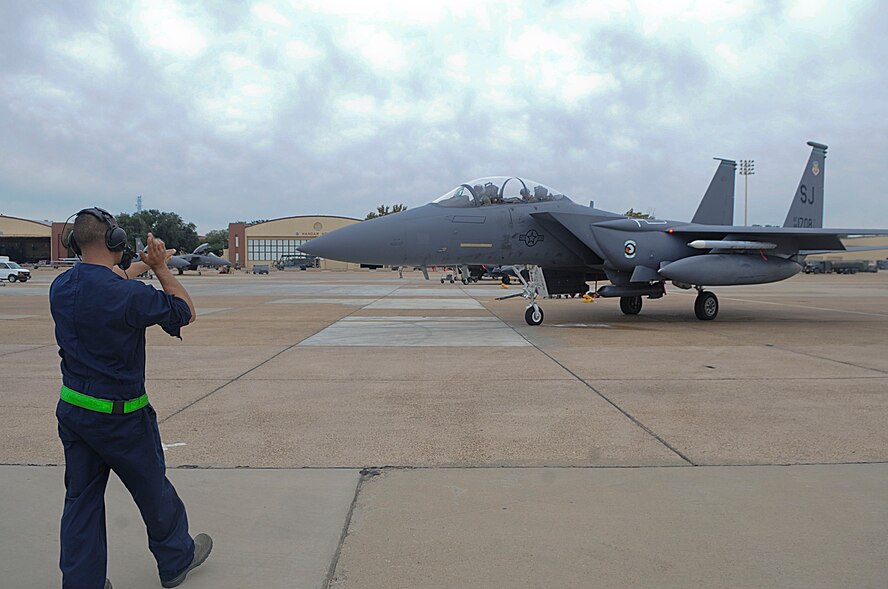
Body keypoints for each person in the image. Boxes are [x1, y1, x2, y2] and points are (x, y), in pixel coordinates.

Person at [50, 208, 212, 589]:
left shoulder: (61, 286)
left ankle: (82, 583)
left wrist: (143, 264)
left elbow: (108, 280)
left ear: (75, 243)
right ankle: (175, 559)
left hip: (75, 412)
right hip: (122, 418)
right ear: (115, 240)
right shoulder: (129, 296)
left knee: (80, 502)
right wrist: (161, 269)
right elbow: (185, 312)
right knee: (154, 491)